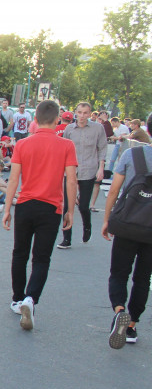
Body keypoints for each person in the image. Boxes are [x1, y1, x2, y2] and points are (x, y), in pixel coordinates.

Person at [1, 100, 78, 331]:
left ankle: (17, 298)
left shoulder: (23, 144)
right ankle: (31, 299)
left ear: (35, 119)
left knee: (20, 253)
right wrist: (70, 210)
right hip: (51, 207)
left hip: (25, 204)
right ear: (58, 120)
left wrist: (7, 209)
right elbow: (71, 179)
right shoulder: (66, 145)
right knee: (42, 258)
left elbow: (13, 179)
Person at [103, 114, 152, 348]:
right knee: (143, 278)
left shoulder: (132, 154)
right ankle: (131, 326)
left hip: (127, 222)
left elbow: (114, 191)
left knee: (119, 272)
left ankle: (119, 309)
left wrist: (107, 219)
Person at [58, 102, 106, 248]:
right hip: (71, 170)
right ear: (75, 113)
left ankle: (87, 226)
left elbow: (102, 148)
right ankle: (67, 238)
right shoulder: (69, 129)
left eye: (85, 113)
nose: (82, 116)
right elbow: (63, 149)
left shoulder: (98, 128)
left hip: (89, 169)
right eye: (80, 112)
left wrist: (101, 168)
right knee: (67, 206)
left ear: (90, 113)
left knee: (83, 206)